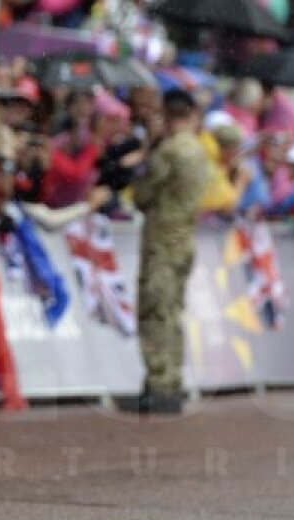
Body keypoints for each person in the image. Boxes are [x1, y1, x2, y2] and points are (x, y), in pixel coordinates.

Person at [126, 88, 210, 415]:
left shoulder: (170, 151)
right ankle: (173, 379)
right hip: (185, 238)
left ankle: (158, 382)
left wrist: (148, 155)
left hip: (162, 239)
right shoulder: (199, 150)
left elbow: (142, 194)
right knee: (173, 312)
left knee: (154, 311)